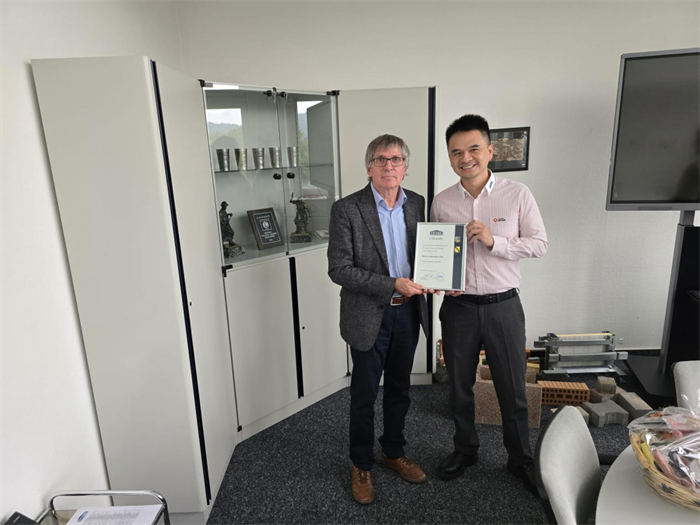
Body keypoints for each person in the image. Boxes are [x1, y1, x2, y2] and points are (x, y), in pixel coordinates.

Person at [430, 114, 548, 492]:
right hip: (459, 309)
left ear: (490, 150)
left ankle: (520, 459)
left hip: (503, 307)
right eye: (456, 152)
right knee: (459, 387)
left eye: (474, 149)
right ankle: (465, 449)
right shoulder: (442, 202)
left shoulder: (517, 194)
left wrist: (495, 241)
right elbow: (437, 254)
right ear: (450, 157)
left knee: (512, 389)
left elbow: (539, 244)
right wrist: (438, 281)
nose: (466, 158)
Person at [328, 134, 430, 504]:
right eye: (381, 159)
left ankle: (393, 451)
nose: (389, 165)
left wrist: (438, 279)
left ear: (405, 167)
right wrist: (391, 284)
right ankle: (361, 463)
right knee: (365, 394)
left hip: (409, 314)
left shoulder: (417, 203)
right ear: (368, 167)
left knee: (400, 389)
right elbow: (339, 269)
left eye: (396, 159)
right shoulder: (347, 209)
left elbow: (428, 254)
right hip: (368, 315)